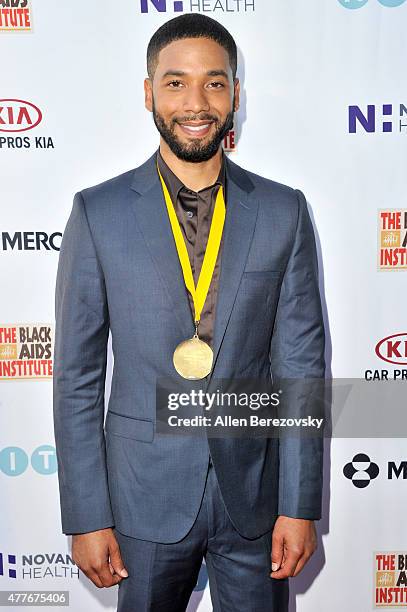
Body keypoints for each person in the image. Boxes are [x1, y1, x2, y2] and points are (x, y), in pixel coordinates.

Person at [53, 12, 325, 612]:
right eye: (176, 82)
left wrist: (299, 502)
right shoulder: (98, 214)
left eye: (215, 82)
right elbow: (76, 378)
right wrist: (86, 513)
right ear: (148, 92)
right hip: (139, 499)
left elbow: (301, 372)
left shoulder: (284, 212)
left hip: (254, 500)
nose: (195, 102)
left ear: (235, 95)